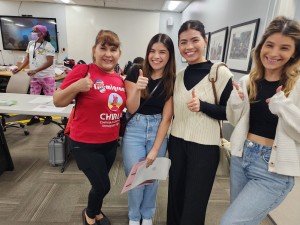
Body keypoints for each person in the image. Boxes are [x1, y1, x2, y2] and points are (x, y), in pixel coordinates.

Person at [220, 16, 300, 225]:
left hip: (271, 170)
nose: (274, 53)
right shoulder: (248, 80)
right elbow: (234, 119)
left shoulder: (297, 84)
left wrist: (284, 108)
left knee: (230, 222)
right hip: (241, 157)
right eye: (270, 45)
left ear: (294, 53)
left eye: (284, 48)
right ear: (261, 46)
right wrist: (236, 104)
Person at [53, 30, 126, 225]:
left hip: (110, 142)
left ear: (119, 53)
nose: (108, 54)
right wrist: (76, 87)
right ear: (94, 50)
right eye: (103, 48)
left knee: (99, 184)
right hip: (85, 142)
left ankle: (97, 210)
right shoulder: (83, 70)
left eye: (113, 49)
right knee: (103, 185)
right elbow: (57, 101)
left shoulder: (119, 78)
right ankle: (89, 215)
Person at [167, 20, 234, 225]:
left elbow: (231, 114)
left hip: (205, 148)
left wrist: (203, 106)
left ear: (205, 41)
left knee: (195, 201)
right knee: (175, 195)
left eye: (195, 40)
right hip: (177, 143)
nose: (189, 47)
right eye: (183, 42)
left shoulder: (220, 73)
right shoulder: (178, 77)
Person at [122, 33, 176, 225]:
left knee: (152, 178)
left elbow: (167, 117)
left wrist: (155, 148)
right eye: (152, 51)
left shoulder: (172, 79)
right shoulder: (136, 71)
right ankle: (134, 216)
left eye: (162, 52)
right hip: (135, 129)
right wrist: (137, 88)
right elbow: (131, 108)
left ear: (169, 55)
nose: (156, 56)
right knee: (135, 177)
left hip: (157, 129)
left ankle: (147, 214)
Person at [13, 25, 55, 125]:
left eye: (35, 31)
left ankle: (48, 116)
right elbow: (27, 58)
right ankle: (35, 117)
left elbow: (49, 62)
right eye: (32, 31)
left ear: (42, 33)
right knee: (33, 98)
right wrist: (19, 68)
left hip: (47, 76)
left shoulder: (48, 46)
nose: (33, 33)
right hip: (34, 77)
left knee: (49, 98)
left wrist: (36, 70)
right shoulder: (31, 44)